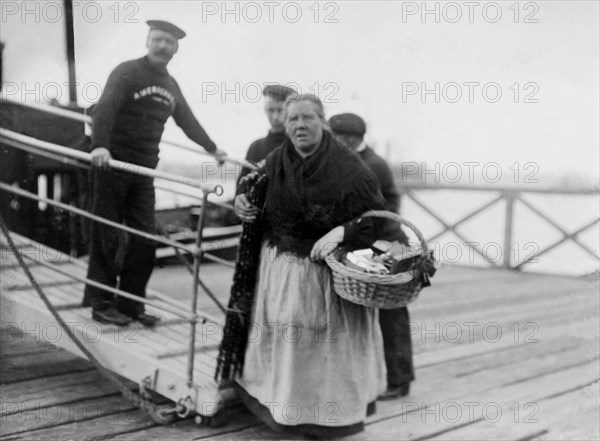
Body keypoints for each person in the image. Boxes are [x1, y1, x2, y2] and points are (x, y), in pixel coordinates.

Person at [216, 94, 388, 438]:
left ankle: (331, 416)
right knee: (284, 341)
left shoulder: (350, 167)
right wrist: (240, 202)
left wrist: (342, 231)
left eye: (307, 118)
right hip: (280, 271)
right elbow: (249, 191)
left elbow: (377, 220)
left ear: (323, 122)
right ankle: (279, 406)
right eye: (293, 119)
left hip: (328, 279)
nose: (298, 125)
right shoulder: (275, 161)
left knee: (324, 348)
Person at [82, 20, 226, 326]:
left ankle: (132, 303)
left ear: (176, 48)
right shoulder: (127, 71)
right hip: (113, 163)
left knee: (145, 236)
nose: (162, 46)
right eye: (157, 40)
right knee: (106, 231)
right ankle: (101, 303)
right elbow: (105, 107)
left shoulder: (171, 85)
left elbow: (188, 121)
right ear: (147, 41)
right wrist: (100, 147)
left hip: (144, 169)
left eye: (169, 42)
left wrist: (212, 148)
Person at [329, 112, 415, 400]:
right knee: (371, 310)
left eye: (337, 136)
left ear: (352, 139)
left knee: (392, 313)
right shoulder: (355, 160)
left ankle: (400, 380)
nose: (332, 141)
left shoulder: (372, 166)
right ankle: (370, 378)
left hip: (389, 245)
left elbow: (369, 213)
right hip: (372, 241)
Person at [234, 84, 295, 218]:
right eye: (270, 110)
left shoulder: (300, 145)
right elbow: (242, 182)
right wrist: (239, 198)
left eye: (280, 110)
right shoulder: (256, 147)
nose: (275, 116)